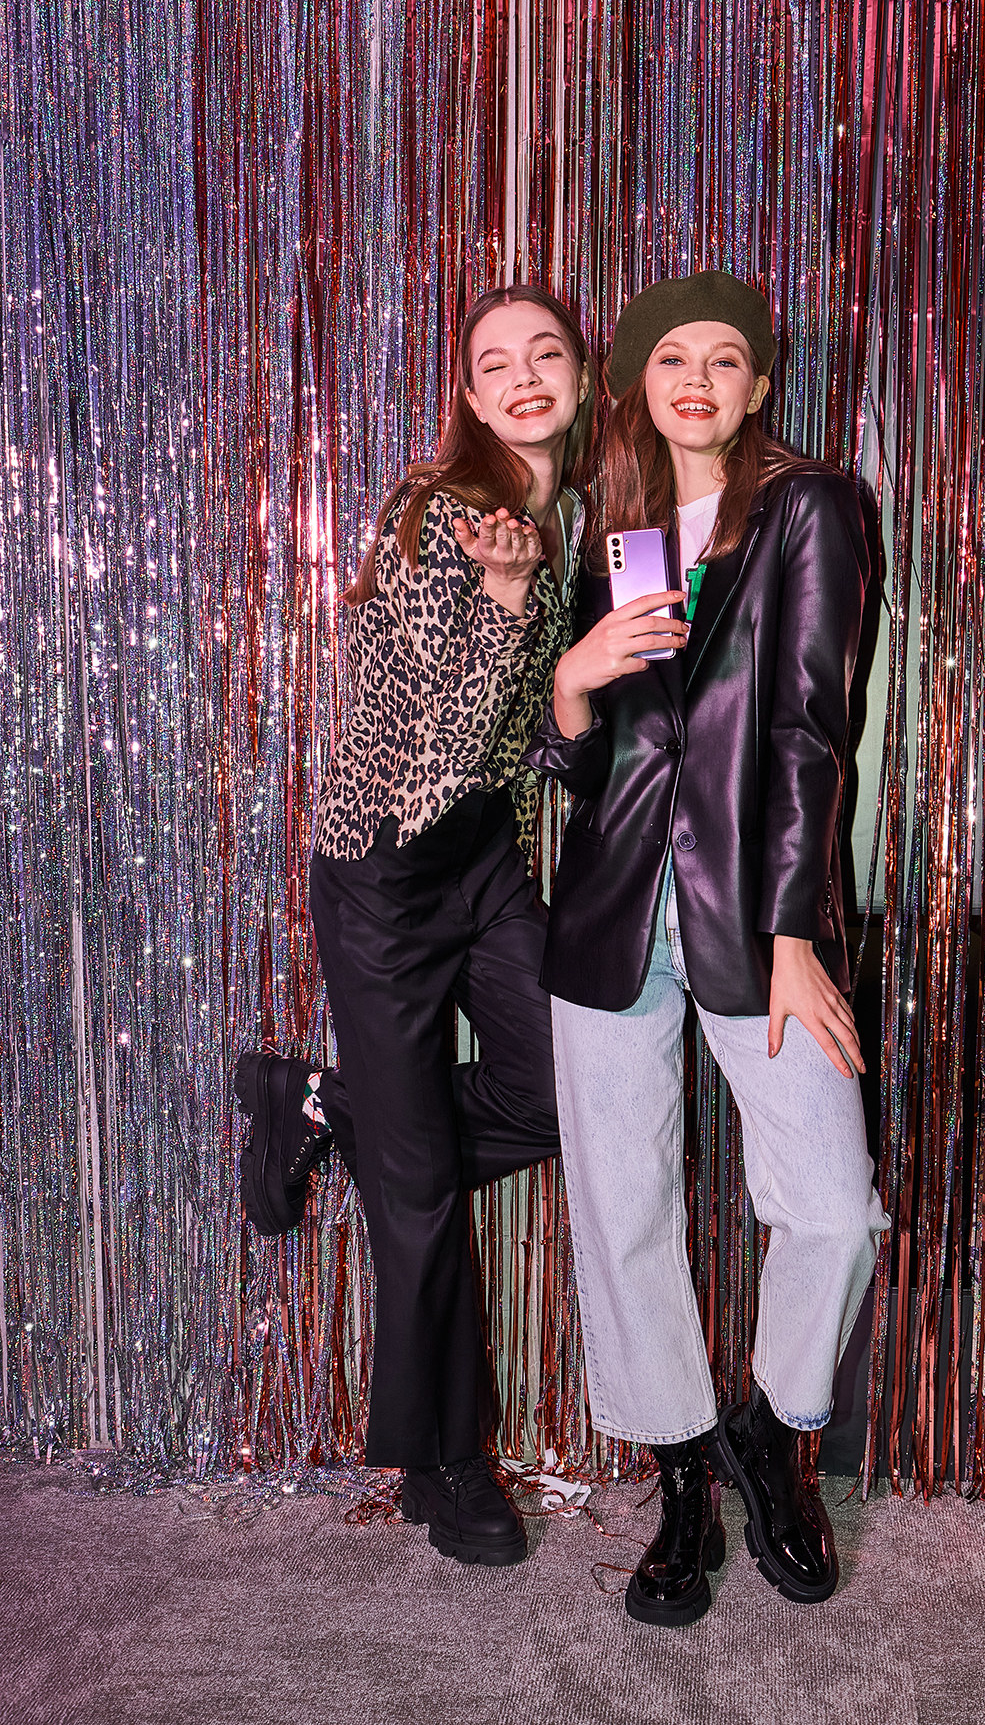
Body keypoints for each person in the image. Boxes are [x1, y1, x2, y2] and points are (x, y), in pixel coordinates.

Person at [525, 271, 888, 1626]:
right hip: (612, 911)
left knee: (832, 1203)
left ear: (756, 386)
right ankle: (682, 1475)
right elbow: (591, 757)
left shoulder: (810, 508)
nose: (695, 378)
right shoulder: (616, 531)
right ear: (635, 381)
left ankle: (773, 1436)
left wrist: (793, 930)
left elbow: (806, 728)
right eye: (669, 356)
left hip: (753, 915)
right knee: (623, 1211)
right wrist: (571, 684)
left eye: (723, 358)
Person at [236, 284, 595, 1568]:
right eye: (494, 362)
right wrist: (508, 611)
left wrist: (583, 693)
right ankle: (447, 1465)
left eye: (545, 352)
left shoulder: (572, 523)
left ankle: (329, 1107)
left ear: (579, 375)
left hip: (486, 861)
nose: (523, 376)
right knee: (422, 1203)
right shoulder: (445, 515)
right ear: (468, 389)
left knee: (564, 1095)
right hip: (387, 868)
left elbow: (527, 753)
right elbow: (437, 751)